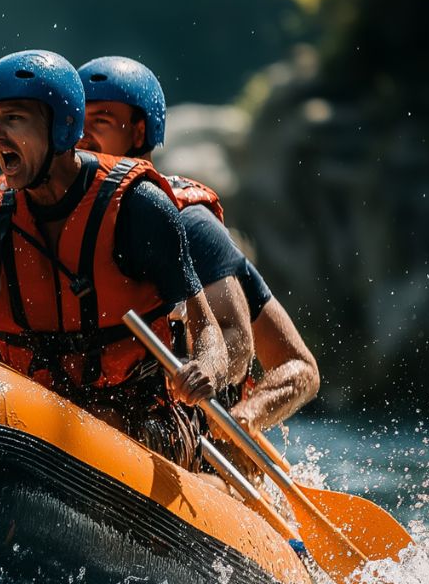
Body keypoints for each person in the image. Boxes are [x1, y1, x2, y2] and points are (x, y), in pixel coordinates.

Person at [0, 49, 226, 467]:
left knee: (92, 423)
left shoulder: (139, 207)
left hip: (143, 419)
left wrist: (206, 368)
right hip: (31, 420)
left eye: (14, 118)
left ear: (62, 126)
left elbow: (207, 328)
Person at [76, 55, 319, 433]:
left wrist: (240, 412)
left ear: (139, 134)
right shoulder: (59, 219)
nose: (83, 137)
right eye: (77, 123)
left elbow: (236, 341)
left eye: (101, 122)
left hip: (180, 414)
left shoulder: (188, 222)